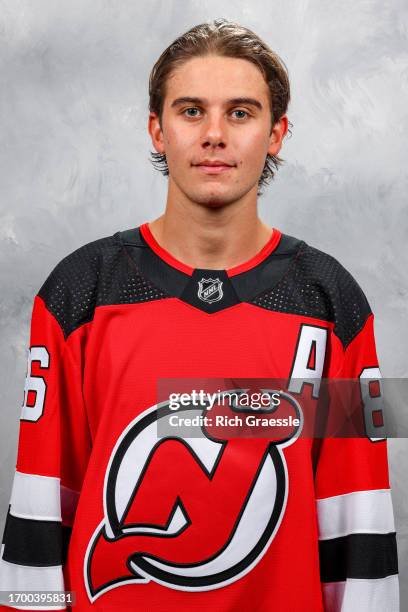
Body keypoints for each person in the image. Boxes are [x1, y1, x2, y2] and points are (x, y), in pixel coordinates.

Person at [0, 18, 399, 612]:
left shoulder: (333, 302)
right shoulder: (78, 294)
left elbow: (357, 522)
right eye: (191, 111)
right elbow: (39, 516)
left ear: (277, 133)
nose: (215, 134)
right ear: (157, 130)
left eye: (240, 112)